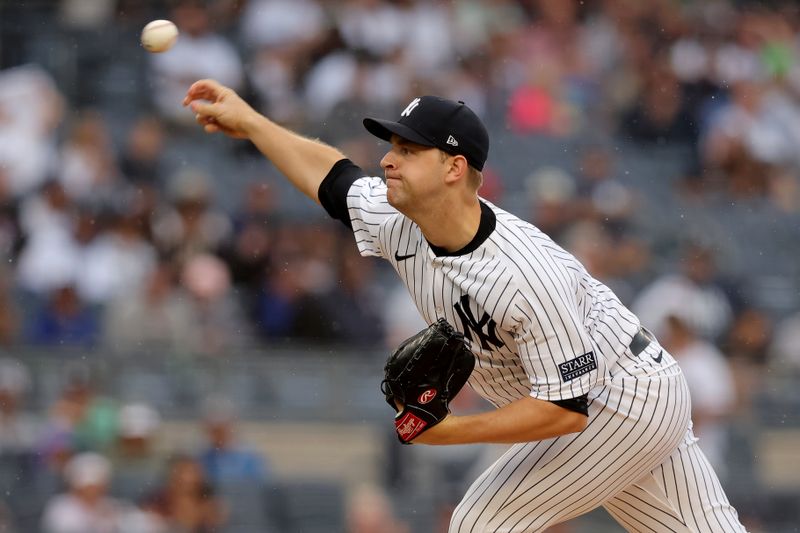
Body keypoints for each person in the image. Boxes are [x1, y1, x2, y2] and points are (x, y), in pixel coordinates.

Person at [184, 79, 747, 532]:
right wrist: (251, 122)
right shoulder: (397, 218)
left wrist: (447, 431)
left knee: (483, 522)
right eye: (391, 146)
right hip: (621, 395)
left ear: (455, 168)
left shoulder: (524, 274)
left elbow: (567, 410)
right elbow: (331, 179)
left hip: (619, 402)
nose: (388, 161)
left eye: (407, 150)